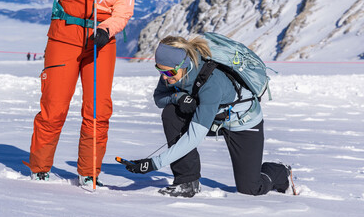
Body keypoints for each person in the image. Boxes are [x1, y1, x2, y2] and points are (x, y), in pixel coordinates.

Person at [24, 0, 147, 186]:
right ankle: (40, 168)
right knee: (54, 107)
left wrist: (106, 30)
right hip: (64, 38)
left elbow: (123, 13)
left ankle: (89, 173)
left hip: (100, 43)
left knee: (98, 112)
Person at [120, 35, 292, 197]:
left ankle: (280, 171)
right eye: (160, 71)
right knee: (171, 113)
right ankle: (187, 182)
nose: (165, 77)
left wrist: (153, 164)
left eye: (170, 73)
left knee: (250, 188)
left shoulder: (212, 82)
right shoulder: (170, 72)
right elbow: (159, 98)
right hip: (213, 119)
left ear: (184, 64)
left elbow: (194, 137)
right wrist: (178, 97)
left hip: (243, 123)